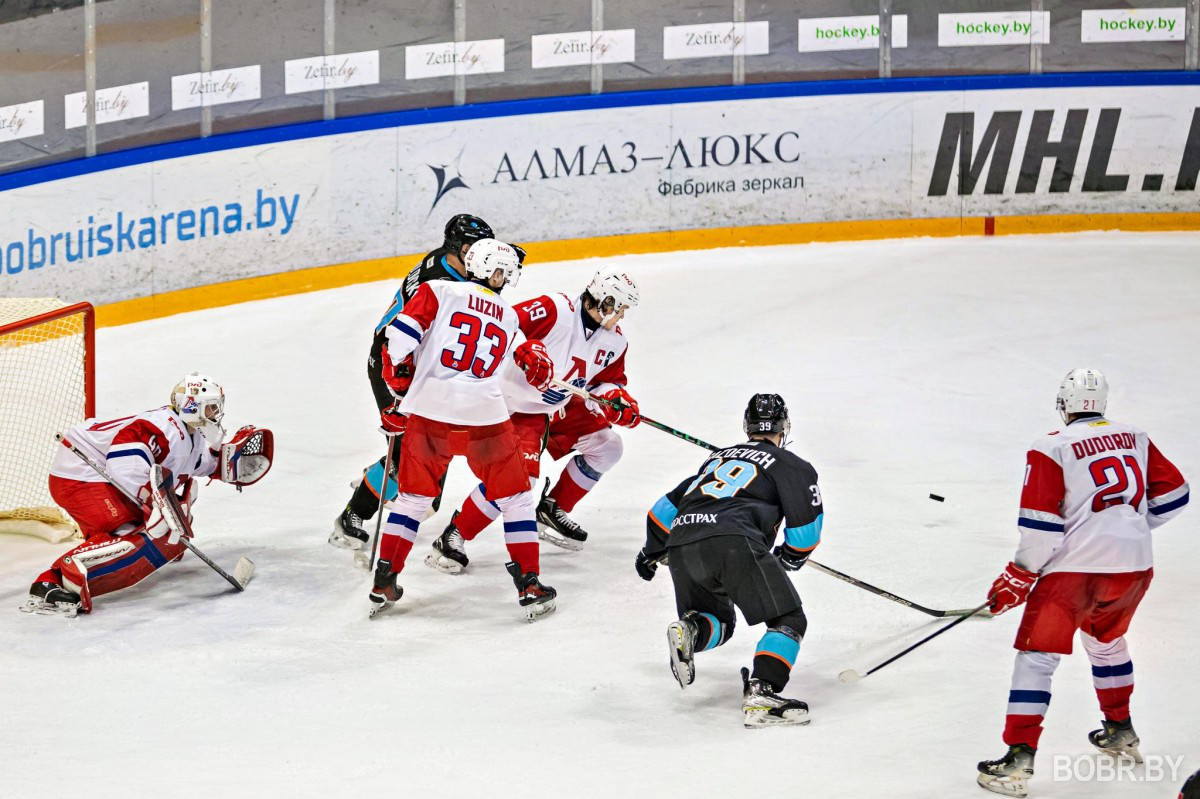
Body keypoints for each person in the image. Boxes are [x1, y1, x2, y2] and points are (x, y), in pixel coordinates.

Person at [977, 368, 1189, 797]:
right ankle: (1120, 730)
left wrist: (1019, 574)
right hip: (1133, 567)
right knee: (1107, 642)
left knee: (1037, 656)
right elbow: (1176, 494)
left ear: (1062, 403)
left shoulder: (1051, 445)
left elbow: (1041, 527)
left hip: (1074, 573)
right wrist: (1127, 529)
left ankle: (1018, 757)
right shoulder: (1136, 436)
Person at [367, 238, 557, 621]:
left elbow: (398, 341)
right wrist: (540, 361)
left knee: (413, 501)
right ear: (500, 273)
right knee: (517, 498)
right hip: (483, 418)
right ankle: (529, 584)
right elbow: (534, 367)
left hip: (428, 414)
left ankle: (384, 580)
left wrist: (397, 388)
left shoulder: (436, 290)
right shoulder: (509, 316)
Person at [426, 267, 640, 573]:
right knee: (519, 480)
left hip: (552, 408)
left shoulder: (615, 342)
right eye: (620, 309)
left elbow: (607, 382)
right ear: (606, 302)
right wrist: (526, 349)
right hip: (505, 405)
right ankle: (454, 534)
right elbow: (504, 323)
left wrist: (616, 400)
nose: (621, 317)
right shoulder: (555, 309)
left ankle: (553, 509)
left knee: (609, 447)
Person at [329, 213, 524, 551]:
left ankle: (377, 478)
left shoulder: (452, 266)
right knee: (409, 457)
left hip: (426, 372)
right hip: (394, 363)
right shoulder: (440, 282)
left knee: (428, 494)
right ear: (463, 249)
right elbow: (405, 341)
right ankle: (352, 516)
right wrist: (397, 391)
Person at [635, 394, 824, 727]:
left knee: (717, 621)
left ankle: (690, 630)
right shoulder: (791, 464)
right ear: (784, 427)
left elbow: (662, 511)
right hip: (734, 540)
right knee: (789, 619)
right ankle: (763, 690)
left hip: (682, 540)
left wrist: (650, 552)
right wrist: (790, 558)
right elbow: (806, 528)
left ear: (747, 426)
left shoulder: (716, 460)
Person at [20, 374, 273, 616]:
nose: (215, 415)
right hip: (79, 473)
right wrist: (157, 505)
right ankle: (53, 582)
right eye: (210, 408)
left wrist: (227, 465)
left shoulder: (190, 436)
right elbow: (123, 464)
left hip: (96, 475)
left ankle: (137, 547)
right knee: (134, 532)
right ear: (191, 406)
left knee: (161, 529)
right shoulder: (164, 428)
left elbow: (203, 464)